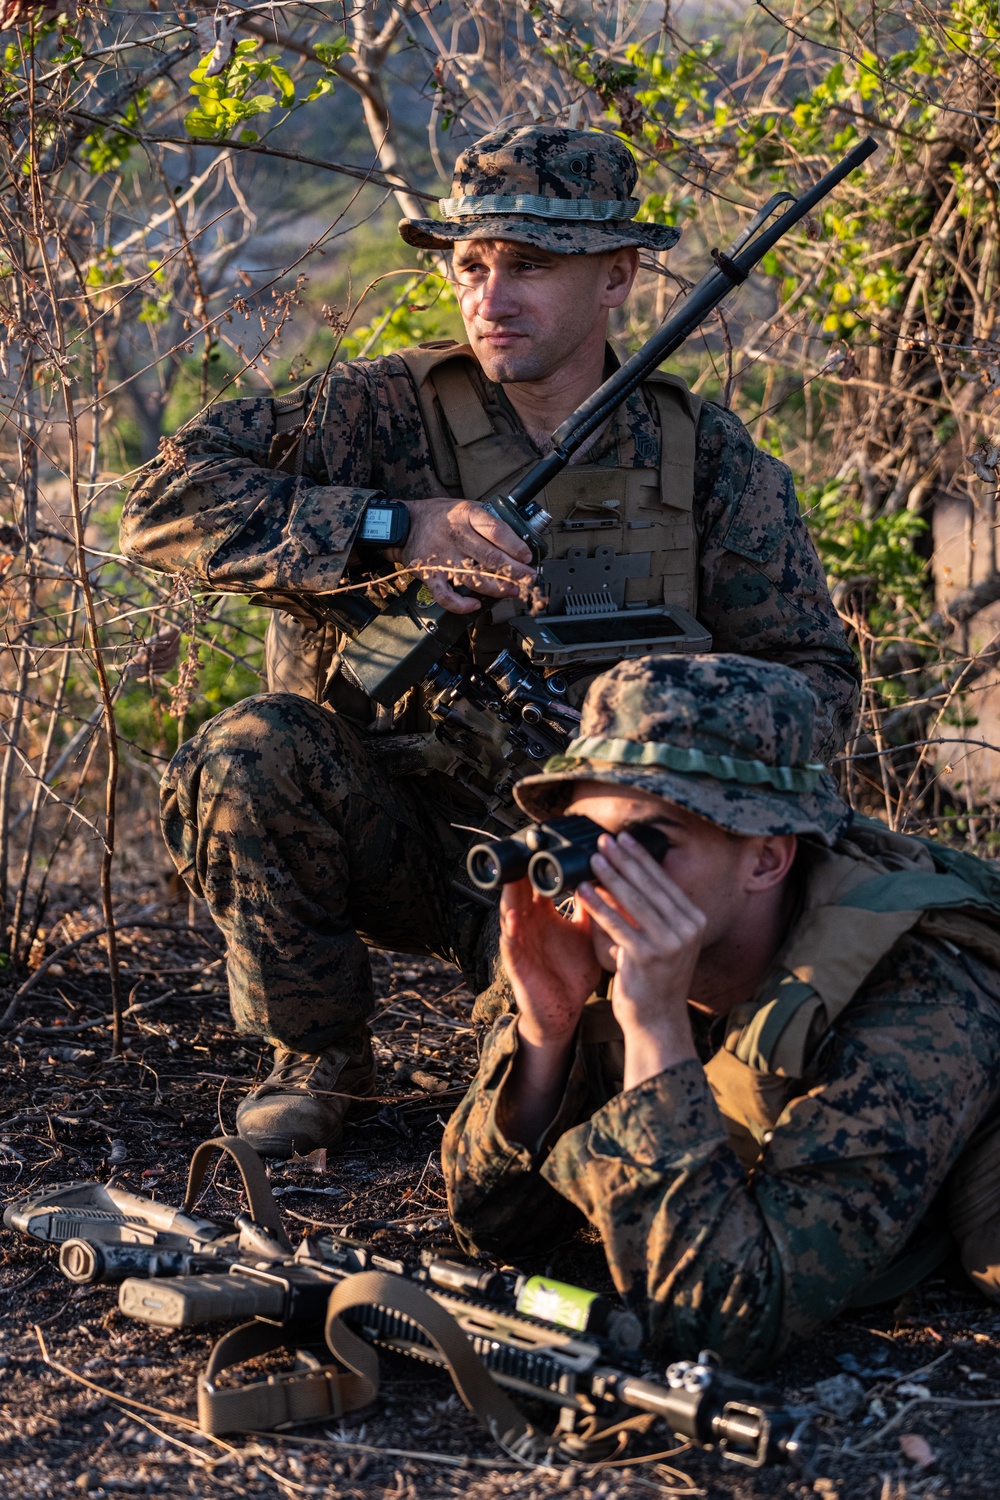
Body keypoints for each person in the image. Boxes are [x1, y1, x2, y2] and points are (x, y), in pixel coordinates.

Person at [120, 125, 859, 1159]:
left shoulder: (705, 458)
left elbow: (815, 677)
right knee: (252, 749)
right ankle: (317, 1055)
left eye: (530, 265)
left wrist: (672, 754)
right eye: (472, 263)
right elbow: (160, 504)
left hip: (596, 858)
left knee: (564, 1112)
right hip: (398, 827)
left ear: (618, 276)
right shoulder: (373, 411)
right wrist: (394, 526)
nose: (491, 295)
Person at [442, 651, 1000, 1373]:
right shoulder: (597, 951)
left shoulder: (917, 1000)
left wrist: (656, 1029)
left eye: (649, 845)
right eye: (583, 841)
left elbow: (721, 1326)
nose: (606, 879)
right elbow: (492, 1226)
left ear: (766, 860)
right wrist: (546, 1036)